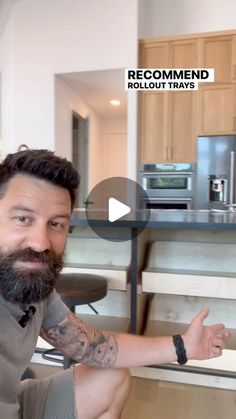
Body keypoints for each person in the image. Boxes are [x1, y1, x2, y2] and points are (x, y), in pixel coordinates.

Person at [0, 149, 230, 419]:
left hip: (14, 400)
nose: (40, 242)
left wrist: (183, 346)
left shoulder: (36, 288)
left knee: (112, 373)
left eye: (56, 223)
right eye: (22, 219)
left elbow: (94, 347)